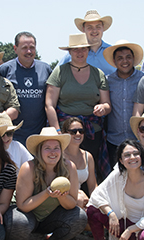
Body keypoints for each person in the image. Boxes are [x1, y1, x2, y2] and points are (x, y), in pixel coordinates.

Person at [4, 127, 87, 240]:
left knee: (79, 217)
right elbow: (23, 206)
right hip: (28, 214)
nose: (53, 152)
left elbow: (72, 204)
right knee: (18, 222)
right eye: (47, 148)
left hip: (51, 217)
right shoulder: (28, 168)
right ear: (39, 150)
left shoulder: (69, 167)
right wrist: (47, 193)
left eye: (56, 148)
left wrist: (61, 196)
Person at [46, 33, 111, 179]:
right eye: (75, 49)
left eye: (83, 49)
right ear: (69, 52)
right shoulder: (60, 72)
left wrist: (103, 108)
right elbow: (49, 104)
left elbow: (107, 104)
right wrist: (57, 131)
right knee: (63, 171)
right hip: (65, 132)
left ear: (88, 50)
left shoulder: (98, 74)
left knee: (90, 172)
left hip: (92, 132)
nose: (80, 52)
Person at [0, 31, 53, 144]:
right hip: (12, 135)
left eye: (32, 47)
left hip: (39, 135)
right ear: (15, 48)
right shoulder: (4, 70)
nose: (29, 51)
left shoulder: (46, 69)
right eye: (24, 48)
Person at [103, 40, 144, 162]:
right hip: (113, 140)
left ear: (133, 59)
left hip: (139, 139)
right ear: (114, 61)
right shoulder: (107, 81)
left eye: (128, 57)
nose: (124, 61)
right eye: (120, 58)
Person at [57, 10, 115, 75]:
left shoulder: (113, 52)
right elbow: (55, 77)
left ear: (103, 28)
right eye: (90, 27)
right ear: (83, 29)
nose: (94, 30)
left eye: (98, 27)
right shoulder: (73, 54)